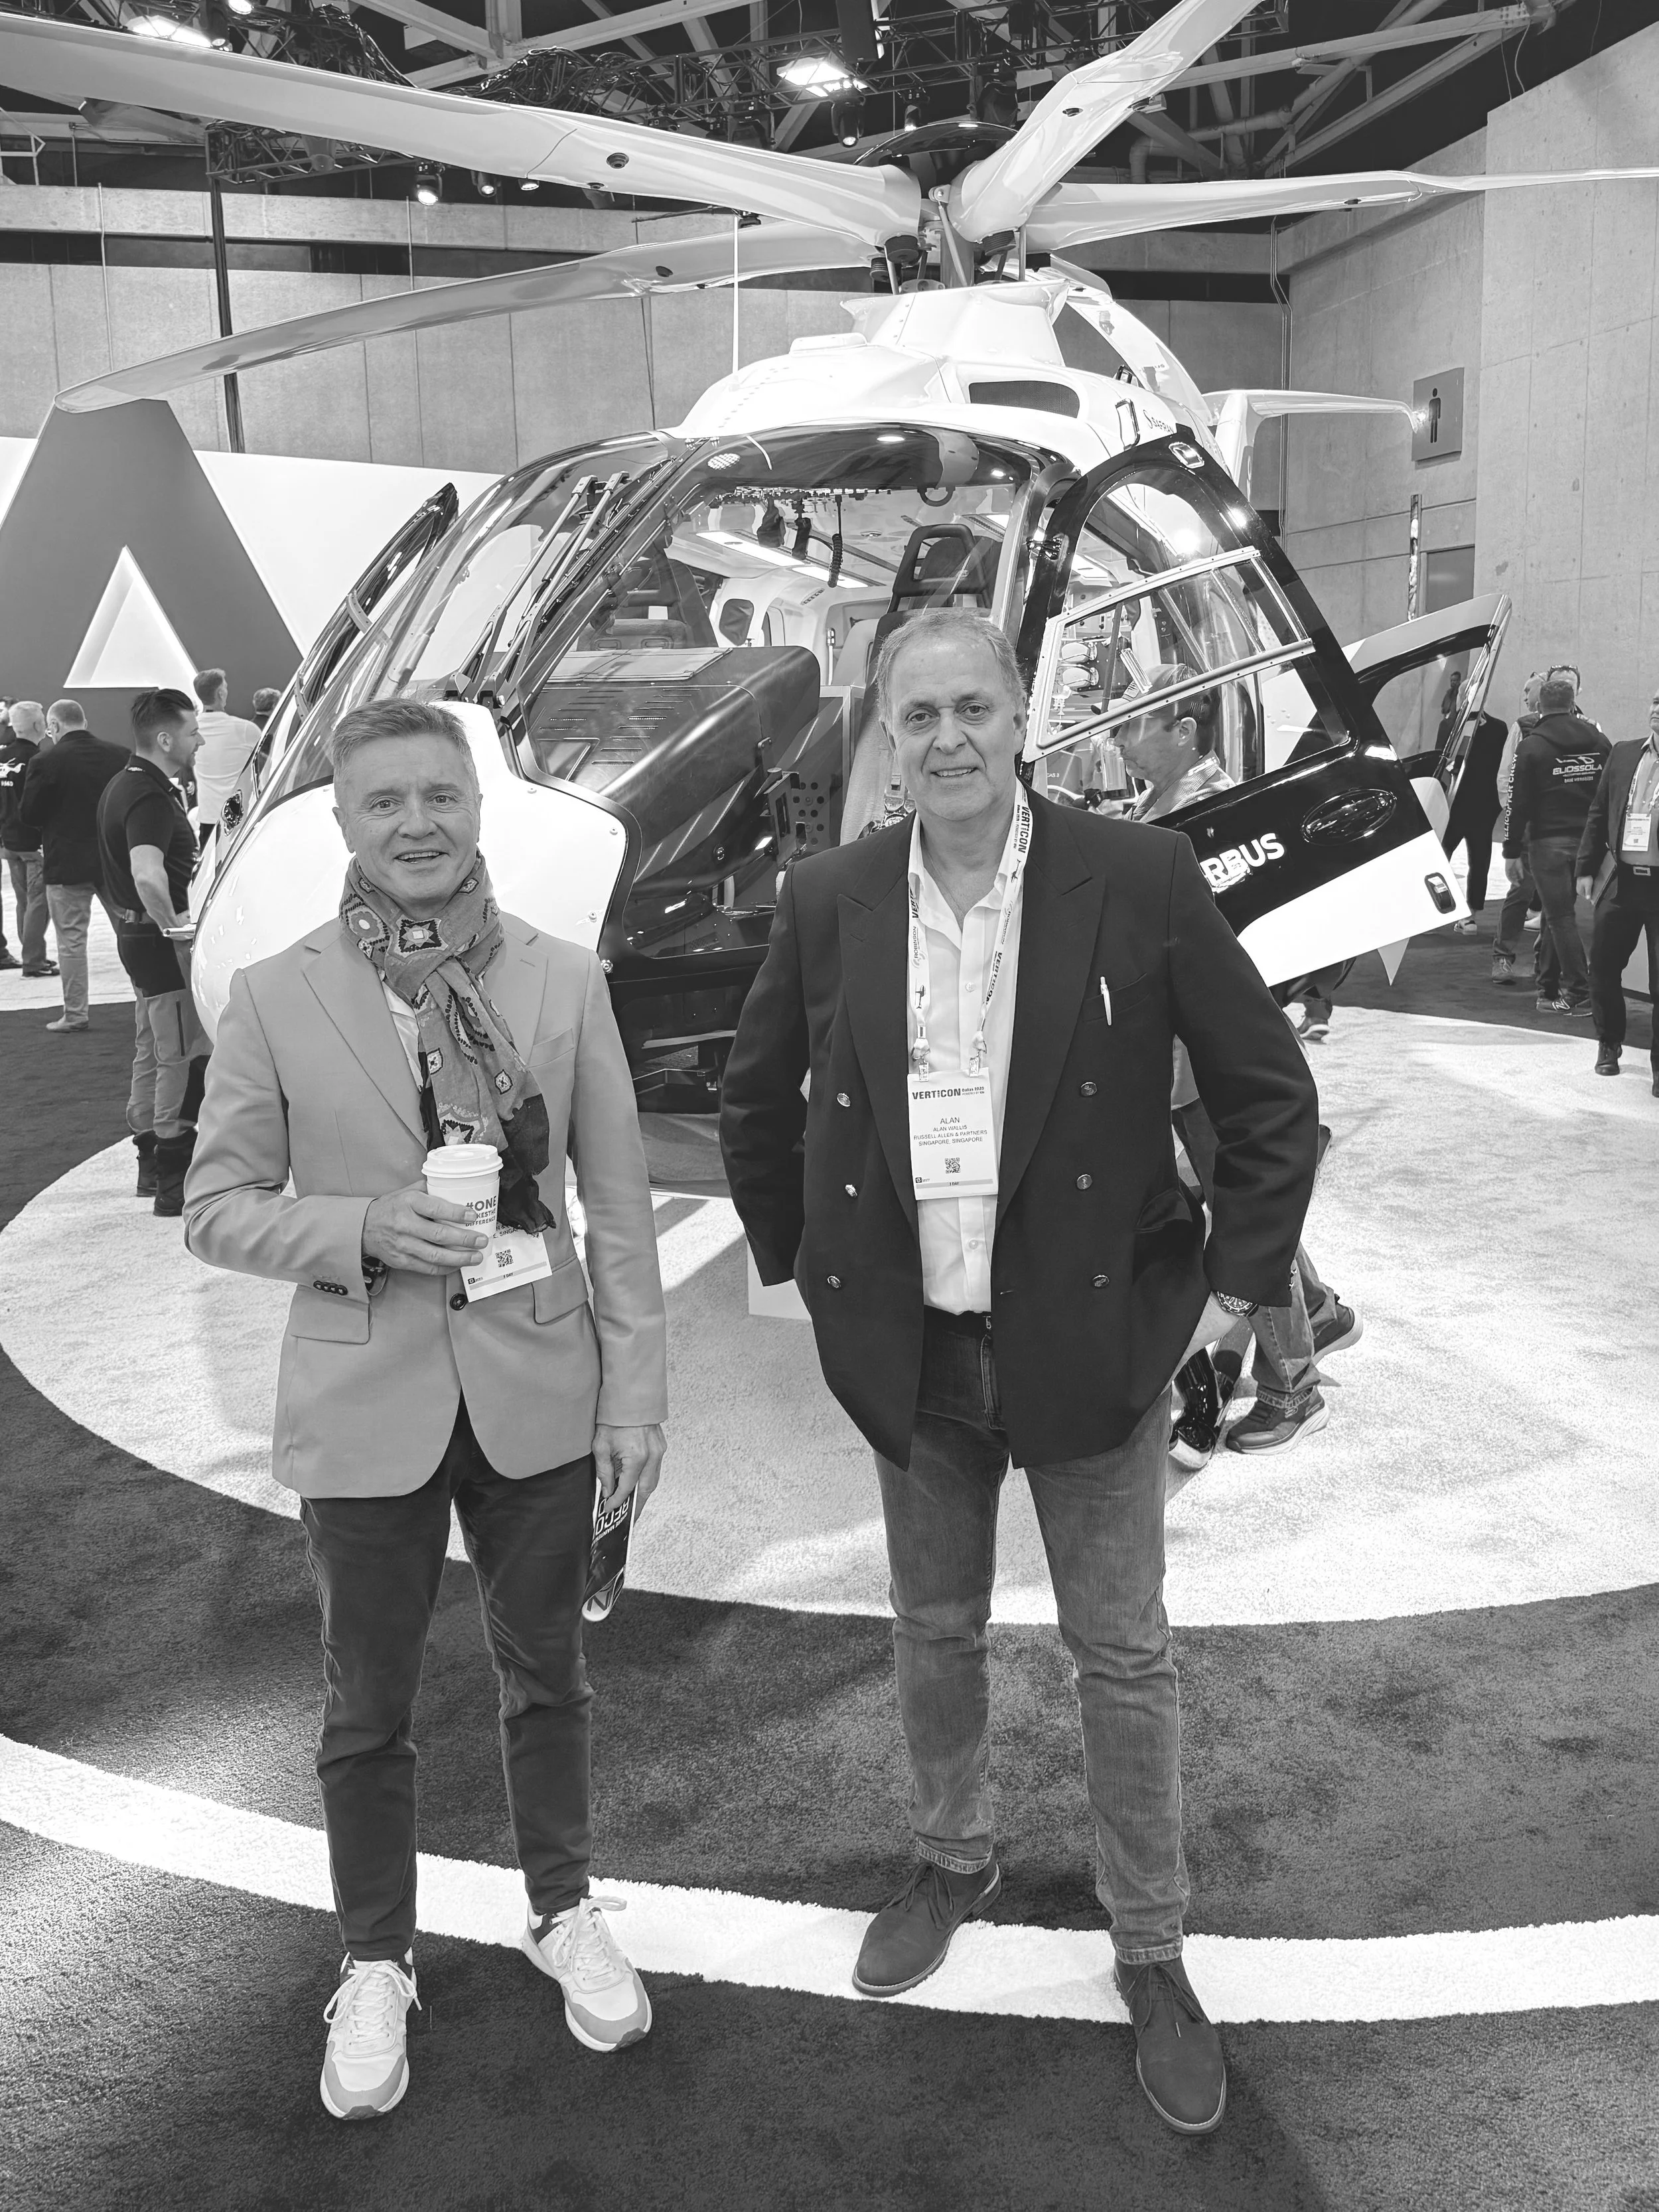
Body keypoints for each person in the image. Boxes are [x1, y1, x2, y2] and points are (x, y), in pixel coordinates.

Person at [721, 611, 1319, 2136]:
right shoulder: (832, 895)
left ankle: (1152, 1944)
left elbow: (1267, 1096)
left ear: (1021, 717)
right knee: (932, 1627)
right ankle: (950, 1856)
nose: (948, 741)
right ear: (887, 737)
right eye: (915, 718)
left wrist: (1238, 1289)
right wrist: (811, 1271)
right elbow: (752, 1099)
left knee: (1123, 1655)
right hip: (916, 1357)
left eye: (973, 708)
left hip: (1096, 1351)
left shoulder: (1139, 879)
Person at [182, 697, 668, 2122]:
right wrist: (358, 1228)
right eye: (384, 800)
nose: (415, 823)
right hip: (363, 1388)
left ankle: (563, 1903)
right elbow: (215, 1208)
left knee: (549, 1677)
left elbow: (621, 1212)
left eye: (437, 798)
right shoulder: (277, 993)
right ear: (340, 820)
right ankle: (375, 1953)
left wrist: (634, 1396)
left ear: (476, 811)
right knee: (365, 1706)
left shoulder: (564, 979)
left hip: (538, 1380)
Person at [1118, 668, 1354, 1459]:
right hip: (1182, 1057)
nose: (1119, 740)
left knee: (1239, 1213)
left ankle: (1294, 1389)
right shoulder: (1164, 807)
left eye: (1134, 727)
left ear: (1185, 731)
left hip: (1208, 1058)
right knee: (1241, 1196)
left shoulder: (1208, 820)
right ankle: (1318, 1310)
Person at [96, 689, 212, 1213]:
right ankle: (173, 1181)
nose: (199, 740)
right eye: (192, 732)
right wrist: (177, 931)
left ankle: (150, 1165)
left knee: (152, 1047)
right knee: (182, 1056)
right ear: (165, 739)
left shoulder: (123, 784)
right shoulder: (147, 796)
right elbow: (147, 873)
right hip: (157, 943)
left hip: (135, 939)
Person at [1502, 672, 1609, 1015]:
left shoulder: (1531, 745)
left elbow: (1517, 803)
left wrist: (1511, 850)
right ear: (1571, 703)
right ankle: (1547, 985)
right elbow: (1610, 788)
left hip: (1547, 843)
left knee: (1560, 916)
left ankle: (1579, 988)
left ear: (1539, 707)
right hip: (1589, 841)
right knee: (1554, 915)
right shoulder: (1598, 739)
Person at [18, 698, 127, 1033]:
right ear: (85, 720)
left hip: (66, 863)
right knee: (132, 934)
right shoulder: (120, 755)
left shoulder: (45, 760)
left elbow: (30, 815)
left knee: (71, 943)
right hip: (113, 861)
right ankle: (149, 1002)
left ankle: (76, 1015)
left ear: (53, 726)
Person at [1577, 689, 1659, 1094]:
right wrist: (1586, 868)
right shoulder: (1625, 753)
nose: (1658, 710)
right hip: (1621, 880)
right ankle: (1609, 1044)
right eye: (1657, 701)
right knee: (1604, 968)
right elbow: (1598, 812)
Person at [0, 699, 54, 978]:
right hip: (34, 843)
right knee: (38, 902)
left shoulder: (1, 757)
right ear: (38, 725)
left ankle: (31, 953)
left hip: (8, 842)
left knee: (25, 901)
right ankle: (34, 960)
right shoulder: (38, 760)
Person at [1445, 701, 1508, 936]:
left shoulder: (1451, 726)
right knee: (1479, 859)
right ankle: (1471, 916)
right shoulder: (1499, 727)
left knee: (1444, 854)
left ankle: (1447, 911)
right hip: (1483, 803)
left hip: (1460, 802)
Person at [190, 667, 264, 849]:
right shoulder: (246, 730)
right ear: (221, 694)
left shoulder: (190, 732)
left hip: (207, 820)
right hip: (241, 820)